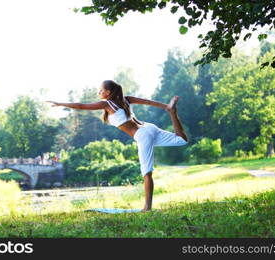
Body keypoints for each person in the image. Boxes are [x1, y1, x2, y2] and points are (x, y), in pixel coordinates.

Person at [46, 80, 188, 212]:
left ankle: (147, 207)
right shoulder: (126, 99)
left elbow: (81, 106)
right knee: (182, 140)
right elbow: (148, 102)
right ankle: (172, 113)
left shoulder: (107, 104)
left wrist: (60, 104)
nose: (99, 93)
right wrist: (166, 107)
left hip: (142, 135)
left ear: (108, 92)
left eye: (101, 90)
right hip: (149, 127)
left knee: (147, 173)